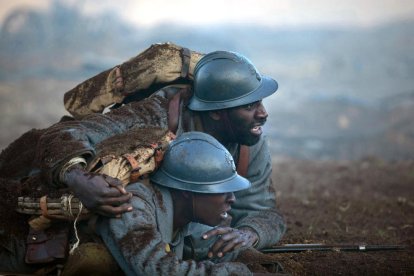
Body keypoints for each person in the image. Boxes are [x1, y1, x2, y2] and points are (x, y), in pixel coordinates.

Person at [35, 48, 285, 259]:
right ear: (216, 112)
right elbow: (66, 132)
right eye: (250, 106)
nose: (263, 114)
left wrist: (250, 233)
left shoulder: (249, 143)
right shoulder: (154, 117)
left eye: (260, 102)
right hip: (131, 231)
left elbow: (262, 210)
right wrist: (79, 179)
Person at [95, 131, 253, 275]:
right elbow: (161, 271)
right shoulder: (132, 206)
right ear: (187, 190)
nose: (232, 198)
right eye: (222, 190)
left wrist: (241, 245)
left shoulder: (186, 215)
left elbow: (218, 249)